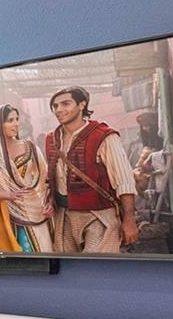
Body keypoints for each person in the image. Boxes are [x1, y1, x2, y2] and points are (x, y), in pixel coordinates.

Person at [46, 86, 137, 253]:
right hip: (63, 217)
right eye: (55, 106)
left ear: (82, 104)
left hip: (98, 216)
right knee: (68, 266)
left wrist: (129, 220)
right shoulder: (51, 139)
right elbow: (50, 178)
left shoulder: (103, 135)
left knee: (97, 266)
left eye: (65, 104)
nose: (58, 110)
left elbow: (124, 180)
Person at [0, 105, 52, 252]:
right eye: (10, 120)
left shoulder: (30, 147)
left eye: (17, 119)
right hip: (2, 215)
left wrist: (49, 202)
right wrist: (9, 195)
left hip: (33, 210)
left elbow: (45, 179)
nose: (16, 124)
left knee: (37, 256)